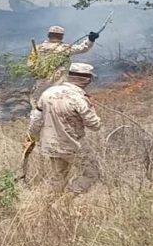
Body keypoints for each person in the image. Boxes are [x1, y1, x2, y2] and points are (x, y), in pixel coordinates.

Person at [28, 63, 102, 201]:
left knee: (58, 176)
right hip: (73, 145)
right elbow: (94, 125)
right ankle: (68, 198)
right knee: (92, 173)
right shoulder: (79, 99)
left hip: (51, 145)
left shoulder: (48, 93)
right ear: (86, 79)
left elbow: (36, 120)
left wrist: (32, 136)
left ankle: (50, 206)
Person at [27, 26, 99, 108]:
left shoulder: (38, 48)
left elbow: (30, 65)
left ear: (49, 35)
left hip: (41, 84)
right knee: (58, 107)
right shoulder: (64, 48)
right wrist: (90, 40)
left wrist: (38, 72)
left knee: (38, 107)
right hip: (59, 83)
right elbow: (83, 48)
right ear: (61, 36)